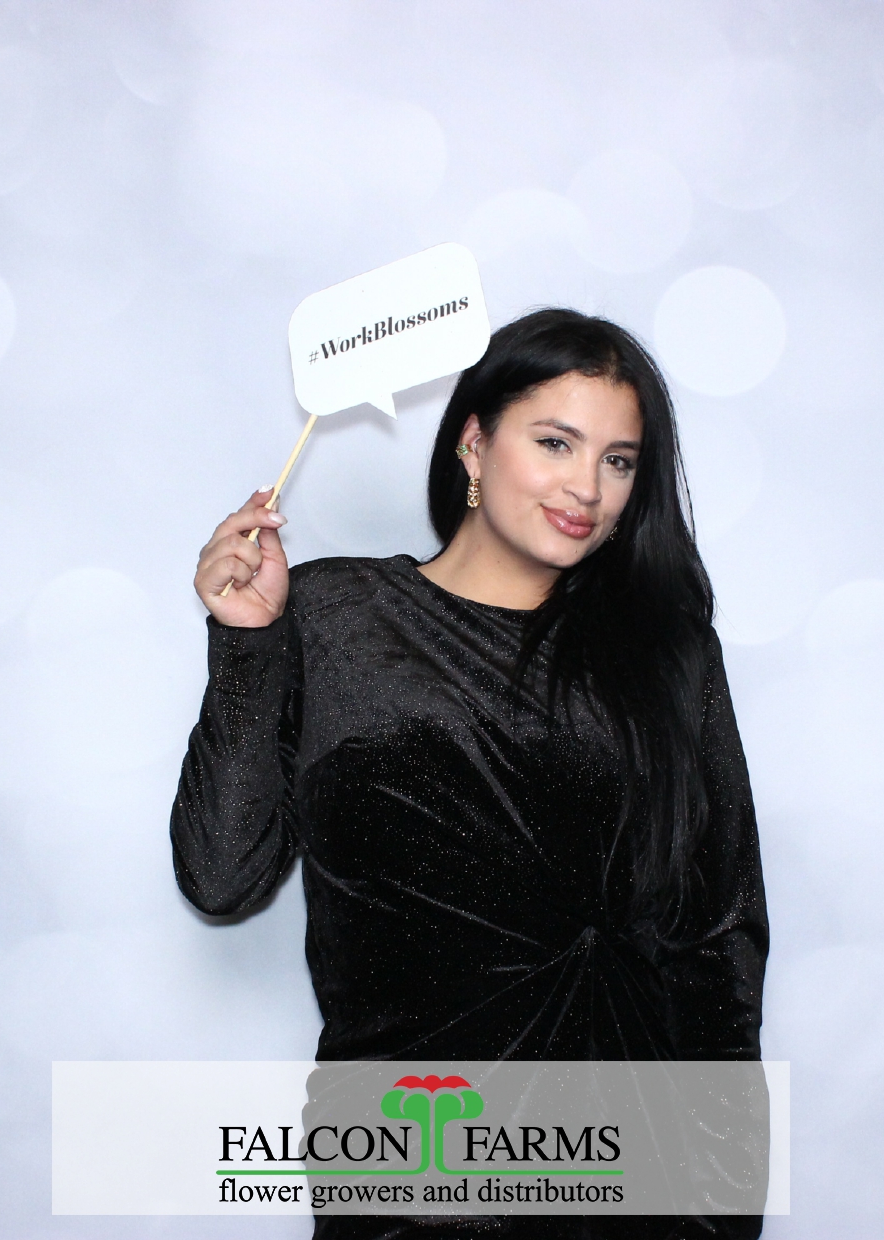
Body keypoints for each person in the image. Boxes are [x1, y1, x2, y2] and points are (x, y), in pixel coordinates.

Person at [172, 307, 768, 1238]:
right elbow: (222, 876)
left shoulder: (666, 655)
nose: (588, 488)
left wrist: (726, 1213)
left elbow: (718, 936)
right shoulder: (334, 615)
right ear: (475, 444)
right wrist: (247, 647)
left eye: (619, 460)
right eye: (556, 443)